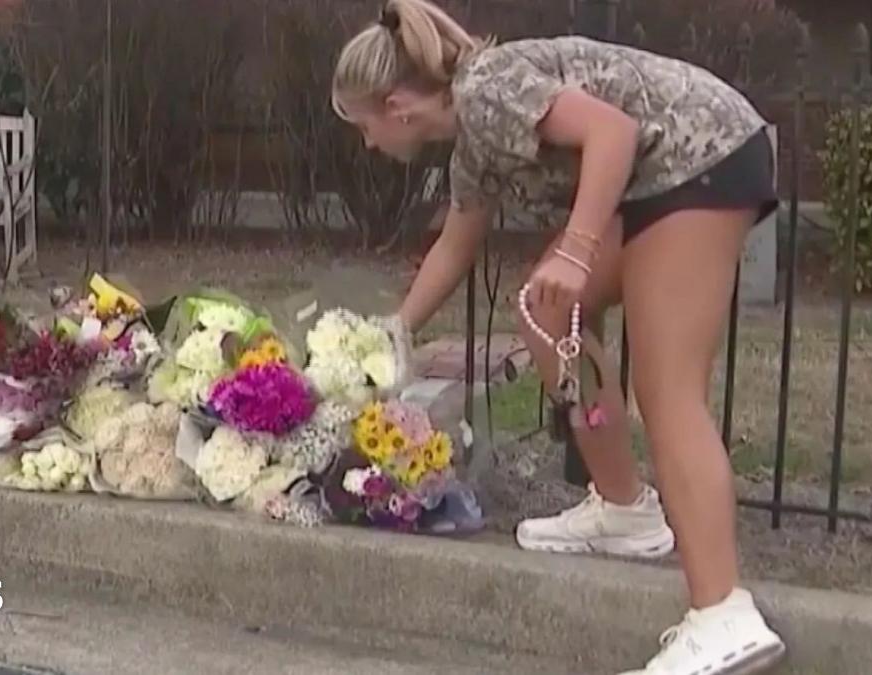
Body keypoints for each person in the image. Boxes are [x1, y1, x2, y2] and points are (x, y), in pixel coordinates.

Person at [334, 1, 786, 673]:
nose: (366, 143)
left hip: (698, 161)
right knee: (546, 313)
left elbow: (613, 131)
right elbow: (455, 247)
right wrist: (393, 332)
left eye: (363, 125)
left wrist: (575, 251)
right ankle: (626, 509)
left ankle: (723, 613)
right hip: (655, 178)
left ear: (397, 105)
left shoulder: (488, 88)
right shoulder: (474, 143)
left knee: (668, 395)